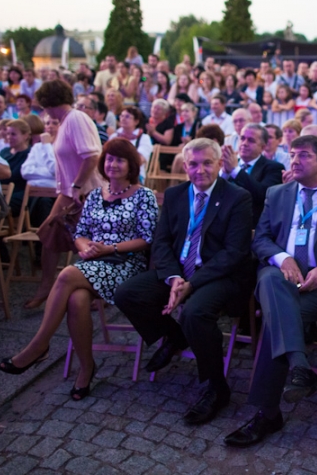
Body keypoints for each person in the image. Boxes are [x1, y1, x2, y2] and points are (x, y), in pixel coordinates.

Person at [224, 135, 317, 447]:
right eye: (292, 155)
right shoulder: (277, 193)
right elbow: (261, 239)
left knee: (278, 318)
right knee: (272, 280)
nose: (295, 161)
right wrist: (284, 258)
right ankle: (298, 368)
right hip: (280, 279)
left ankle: (269, 413)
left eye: (304, 156)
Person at [0, 139, 158, 398]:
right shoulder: (96, 195)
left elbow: (147, 239)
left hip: (127, 265)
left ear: (131, 165)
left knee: (68, 273)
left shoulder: (144, 196)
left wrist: (110, 248)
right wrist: (85, 248)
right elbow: (81, 233)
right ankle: (86, 369)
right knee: (77, 299)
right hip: (94, 263)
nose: (113, 164)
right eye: (109, 159)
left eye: (119, 159)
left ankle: (38, 346)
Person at [115, 139, 252, 425]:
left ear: (218, 164)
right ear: (184, 166)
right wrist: (175, 276)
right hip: (178, 271)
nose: (199, 170)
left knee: (194, 313)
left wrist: (192, 283)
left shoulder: (237, 197)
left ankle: (216, 387)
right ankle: (176, 336)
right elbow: (162, 241)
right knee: (128, 294)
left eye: (206, 163)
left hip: (218, 274)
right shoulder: (176, 194)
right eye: (193, 164)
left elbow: (234, 252)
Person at [27, 81, 102, 309]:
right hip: (69, 192)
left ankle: (95, 290)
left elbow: (91, 156)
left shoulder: (76, 119)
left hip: (85, 191)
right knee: (50, 235)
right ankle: (47, 287)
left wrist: (78, 186)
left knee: (87, 245)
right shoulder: (65, 122)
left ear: (48, 102)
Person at [219, 123, 284, 227]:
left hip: (252, 224)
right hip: (223, 221)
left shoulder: (273, 168)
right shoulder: (228, 164)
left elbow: (263, 195)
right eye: (242, 138)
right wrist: (225, 173)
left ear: (262, 147)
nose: (244, 143)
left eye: (251, 140)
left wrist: (235, 171)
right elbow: (215, 192)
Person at [0, 119, 32, 216]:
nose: (9, 137)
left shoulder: (30, 154)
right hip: (2, 192)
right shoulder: (4, 152)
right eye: (7, 134)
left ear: (25, 135)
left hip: (19, 193)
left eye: (13, 134)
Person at [109, 107, 153, 176]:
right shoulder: (114, 136)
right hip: (112, 171)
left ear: (136, 121)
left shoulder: (144, 138)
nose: (123, 119)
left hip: (134, 175)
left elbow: (139, 160)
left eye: (127, 117)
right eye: (122, 116)